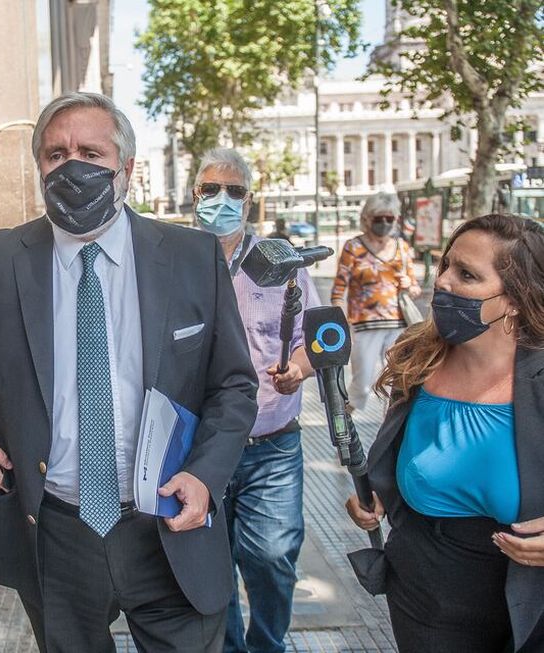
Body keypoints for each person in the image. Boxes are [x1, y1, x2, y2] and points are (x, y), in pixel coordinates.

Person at [0, 92, 259, 651]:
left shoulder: (194, 256)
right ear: (39, 167)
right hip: (54, 532)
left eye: (91, 153)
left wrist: (205, 475)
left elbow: (235, 385)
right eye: (55, 154)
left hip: (169, 522)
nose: (73, 167)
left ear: (126, 169)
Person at [345, 214, 544, 652]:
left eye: (467, 275)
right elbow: (395, 458)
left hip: (529, 602)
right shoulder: (418, 358)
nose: (444, 283)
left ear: (515, 299)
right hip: (424, 595)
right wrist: (374, 496)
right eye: (445, 266)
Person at [191, 148, 321, 653]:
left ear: (250, 200)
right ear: (194, 194)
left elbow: (313, 340)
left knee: (271, 556)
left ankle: (269, 644)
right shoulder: (174, 261)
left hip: (273, 443)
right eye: (210, 189)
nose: (221, 200)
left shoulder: (283, 263)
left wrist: (298, 370)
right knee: (210, 562)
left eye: (235, 191)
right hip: (200, 446)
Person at [330, 192, 421, 413]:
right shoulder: (354, 247)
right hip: (364, 326)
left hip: (398, 325)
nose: (384, 223)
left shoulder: (402, 248)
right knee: (361, 385)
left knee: (397, 386)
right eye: (378, 219)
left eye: (389, 219)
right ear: (367, 218)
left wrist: (409, 284)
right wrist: (343, 326)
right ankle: (342, 438)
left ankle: (391, 439)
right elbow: (338, 290)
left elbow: (415, 289)